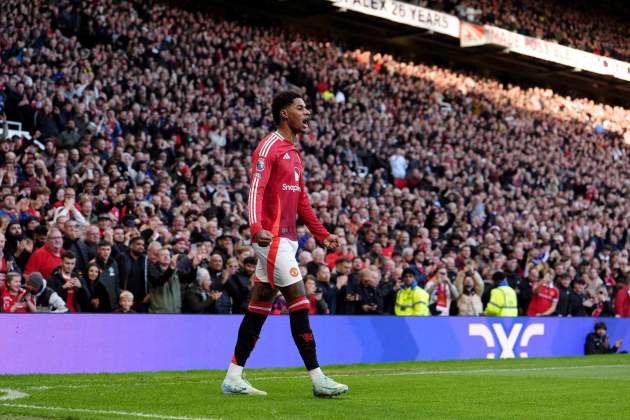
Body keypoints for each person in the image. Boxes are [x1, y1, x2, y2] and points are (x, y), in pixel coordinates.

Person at [222, 91, 348, 398]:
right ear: (284, 113)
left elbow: (302, 201)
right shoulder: (269, 147)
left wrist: (322, 234)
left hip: (288, 241)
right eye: (301, 108)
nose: (307, 113)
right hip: (272, 239)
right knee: (299, 302)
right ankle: (318, 379)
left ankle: (233, 376)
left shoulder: (294, 153)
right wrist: (256, 228)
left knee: (259, 306)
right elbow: (255, 189)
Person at [148, 247, 181, 313]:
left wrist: (194, 266)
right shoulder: (153, 270)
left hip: (176, 311)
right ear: (157, 258)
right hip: (159, 312)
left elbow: (188, 279)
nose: (166, 256)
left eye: (168, 255)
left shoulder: (176, 270)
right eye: (162, 255)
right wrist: (171, 268)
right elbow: (159, 281)